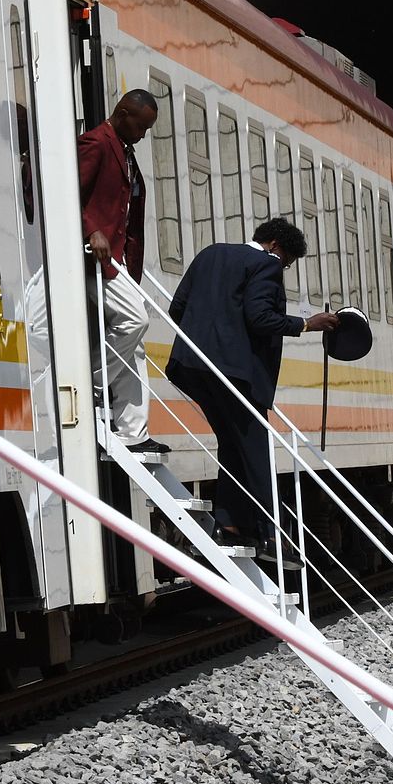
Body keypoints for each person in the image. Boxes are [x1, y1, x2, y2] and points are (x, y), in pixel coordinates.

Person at [162, 217, 335, 548]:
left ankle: (228, 524)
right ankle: (274, 533)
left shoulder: (210, 254)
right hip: (236, 375)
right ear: (275, 247)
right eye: (286, 261)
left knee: (231, 442)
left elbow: (177, 307)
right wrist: (307, 324)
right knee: (256, 448)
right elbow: (259, 317)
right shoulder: (265, 264)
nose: (281, 267)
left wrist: (209, 342)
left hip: (191, 368)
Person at [78, 91, 161, 452]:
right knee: (135, 321)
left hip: (119, 257)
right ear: (123, 113)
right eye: (141, 126)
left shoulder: (126, 152)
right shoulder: (96, 143)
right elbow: (63, 192)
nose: (143, 134)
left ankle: (133, 431)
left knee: (136, 347)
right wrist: (89, 229)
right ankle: (91, 384)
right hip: (98, 256)